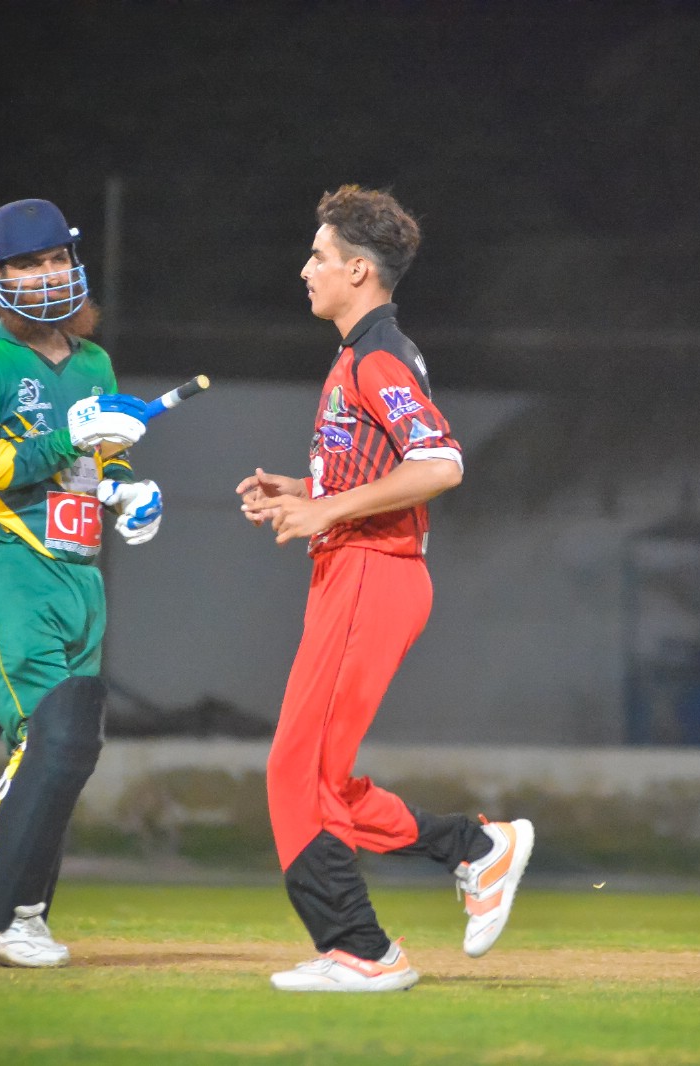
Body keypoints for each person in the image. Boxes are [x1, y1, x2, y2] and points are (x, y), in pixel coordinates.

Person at [236, 185, 534, 992]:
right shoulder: (358, 355)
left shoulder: (375, 357)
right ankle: (474, 849)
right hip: (356, 570)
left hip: (372, 572)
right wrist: (305, 490)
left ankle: (362, 952)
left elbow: (440, 464)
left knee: (296, 773)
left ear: (358, 271)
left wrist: (326, 509)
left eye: (318, 257)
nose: (305, 270)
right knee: (320, 779)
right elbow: (379, 470)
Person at [0, 198, 164, 967]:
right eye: (26, 264)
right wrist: (64, 437)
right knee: (47, 738)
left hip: (80, 572)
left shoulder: (94, 364)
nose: (45, 275)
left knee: (68, 749)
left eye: (54, 259)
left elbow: (103, 458)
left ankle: (14, 913)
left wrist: (128, 490)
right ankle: (5, 908)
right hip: (7, 561)